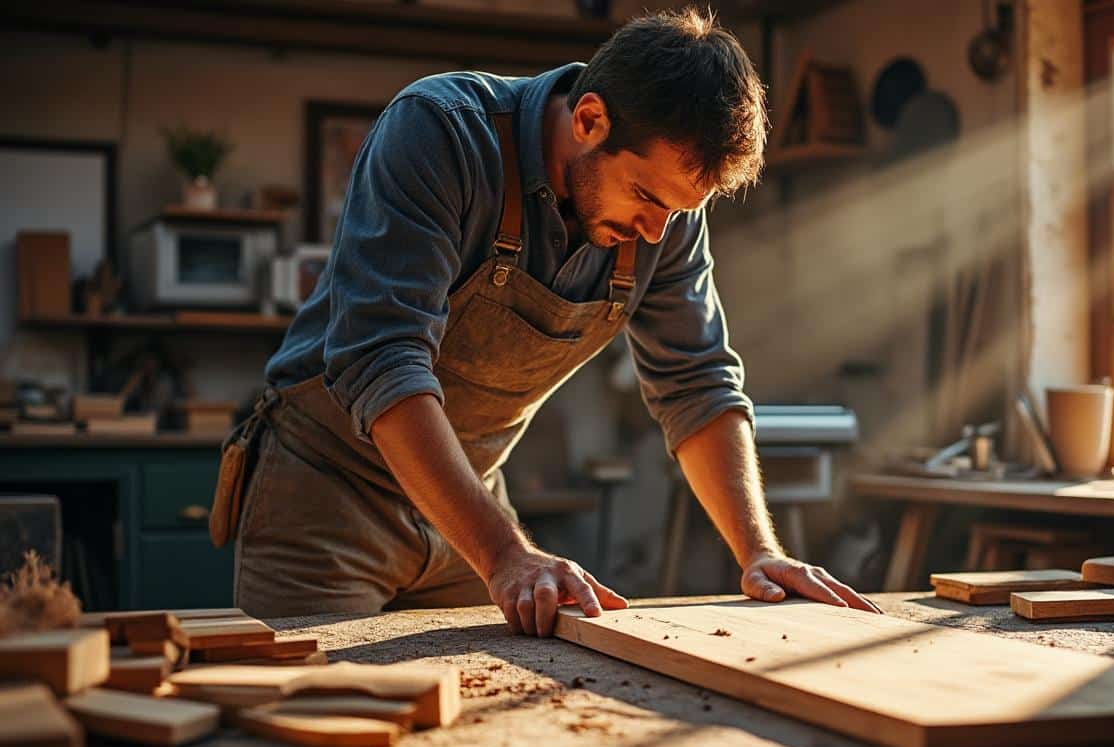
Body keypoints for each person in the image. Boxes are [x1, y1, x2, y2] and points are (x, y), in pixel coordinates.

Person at [215, 8, 879, 633]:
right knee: (314, 704)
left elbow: (698, 383)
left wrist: (759, 551)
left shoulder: (665, 219)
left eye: (678, 211)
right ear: (589, 119)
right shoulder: (440, 133)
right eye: (646, 197)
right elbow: (383, 360)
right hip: (326, 495)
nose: (657, 231)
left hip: (468, 503)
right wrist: (505, 553)